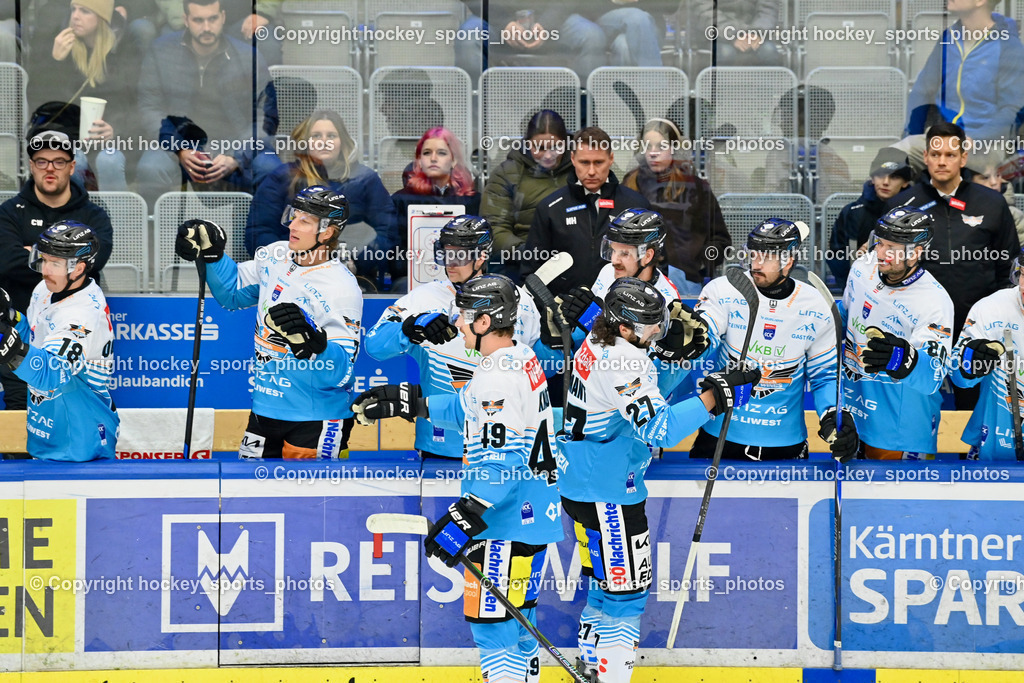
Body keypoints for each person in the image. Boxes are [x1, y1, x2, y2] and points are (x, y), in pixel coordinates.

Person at [354, 273, 563, 683]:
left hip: (501, 525)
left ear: (485, 322)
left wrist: (463, 518)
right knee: (521, 622)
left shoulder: (494, 378)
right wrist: (409, 402)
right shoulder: (520, 358)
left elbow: (500, 462)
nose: (460, 325)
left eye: (466, 317)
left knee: (492, 630)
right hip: (536, 518)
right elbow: (469, 407)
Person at [558, 276, 760, 682]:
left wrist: (675, 363)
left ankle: (589, 666)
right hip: (609, 493)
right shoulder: (623, 359)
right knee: (627, 594)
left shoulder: (597, 342)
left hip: (580, 484)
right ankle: (610, 676)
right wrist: (717, 396)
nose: (658, 332)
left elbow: (640, 395)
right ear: (625, 326)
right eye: (650, 325)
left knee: (603, 583)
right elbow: (660, 430)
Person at [174, 187, 361, 459]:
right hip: (265, 411)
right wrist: (213, 256)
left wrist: (315, 343)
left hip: (316, 419)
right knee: (249, 498)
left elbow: (341, 373)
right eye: (293, 216)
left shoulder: (342, 288)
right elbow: (233, 294)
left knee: (308, 501)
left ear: (328, 232)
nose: (292, 225)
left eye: (304, 221)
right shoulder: (275, 254)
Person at [364, 216, 549, 461]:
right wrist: (409, 329)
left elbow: (538, 367)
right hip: (440, 444)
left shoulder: (520, 302)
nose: (449, 264)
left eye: (459, 256)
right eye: (445, 254)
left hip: (504, 444)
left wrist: (558, 340)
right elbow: (373, 346)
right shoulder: (422, 299)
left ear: (482, 256)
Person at [691, 219, 858, 462]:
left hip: (784, 444)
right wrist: (692, 336)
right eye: (753, 254)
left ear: (788, 261)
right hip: (720, 437)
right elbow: (707, 333)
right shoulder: (725, 289)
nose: (756, 263)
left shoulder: (817, 305)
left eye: (767, 257)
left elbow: (825, 377)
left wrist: (833, 415)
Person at [886, 122, 1020, 410]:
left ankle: (970, 456)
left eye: (950, 154)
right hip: (918, 327)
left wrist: (998, 321)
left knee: (973, 408)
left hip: (976, 327)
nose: (942, 161)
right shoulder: (902, 205)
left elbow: (1008, 270)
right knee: (915, 407)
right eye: (936, 154)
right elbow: (885, 268)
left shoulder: (992, 204)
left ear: (963, 158)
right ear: (926, 156)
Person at [0, 131, 113, 411]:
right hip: (22, 330)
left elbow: (96, 260)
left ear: (72, 166)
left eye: (59, 161)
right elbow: (6, 260)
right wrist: (61, 262)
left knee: (69, 410)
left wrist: (29, 251)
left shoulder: (95, 214)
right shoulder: (9, 212)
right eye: (42, 161)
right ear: (31, 165)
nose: (50, 168)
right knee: (19, 414)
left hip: (72, 350)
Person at [135, 0, 275, 205]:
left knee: (270, 168)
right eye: (198, 20)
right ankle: (156, 236)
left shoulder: (248, 57)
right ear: (186, 20)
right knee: (151, 169)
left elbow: (265, 116)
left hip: (235, 140)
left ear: (223, 17)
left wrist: (236, 157)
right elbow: (149, 108)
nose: (207, 27)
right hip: (179, 140)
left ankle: (253, 236)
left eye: (213, 19)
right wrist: (180, 149)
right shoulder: (161, 51)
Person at [841, 208, 954, 459]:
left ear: (916, 252)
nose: (880, 254)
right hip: (853, 414)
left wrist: (905, 359)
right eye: (879, 243)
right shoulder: (862, 267)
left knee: (896, 499)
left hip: (899, 429)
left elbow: (933, 377)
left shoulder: (934, 301)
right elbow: (845, 314)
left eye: (891, 247)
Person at [0, 222, 118, 461]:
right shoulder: (46, 288)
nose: (45, 269)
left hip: (79, 443)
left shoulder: (82, 316)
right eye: (43, 259)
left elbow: (51, 374)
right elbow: (34, 337)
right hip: (48, 430)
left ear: (79, 268)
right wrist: (11, 318)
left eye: (55, 263)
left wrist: (9, 348)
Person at [245, 110, 399, 285]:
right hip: (291, 279)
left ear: (343, 142)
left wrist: (356, 263)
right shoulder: (283, 177)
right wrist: (293, 261)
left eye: (331, 136)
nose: (324, 142)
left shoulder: (364, 179)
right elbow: (258, 232)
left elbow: (388, 230)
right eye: (317, 135)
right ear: (306, 143)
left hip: (350, 278)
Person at [523, 126, 649, 298]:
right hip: (564, 314)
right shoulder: (551, 208)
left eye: (598, 162)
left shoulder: (635, 206)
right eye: (584, 162)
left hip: (623, 310)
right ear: (573, 159)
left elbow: (654, 264)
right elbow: (531, 272)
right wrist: (551, 312)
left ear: (611, 158)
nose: (591, 171)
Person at [29, 0, 139, 190]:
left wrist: (115, 128)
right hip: (69, 137)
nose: (75, 17)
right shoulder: (60, 46)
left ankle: (118, 217)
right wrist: (53, 62)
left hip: (113, 139)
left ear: (101, 18)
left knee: (109, 160)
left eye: (85, 11)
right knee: (75, 160)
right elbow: (39, 103)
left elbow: (135, 102)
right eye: (73, 9)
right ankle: (75, 218)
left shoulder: (123, 50)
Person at [622, 118, 730, 296]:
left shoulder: (695, 187)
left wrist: (696, 262)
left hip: (684, 282)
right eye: (648, 146)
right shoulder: (630, 183)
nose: (653, 153)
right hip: (636, 277)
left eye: (661, 146)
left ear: (673, 148)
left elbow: (719, 239)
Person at [905, 0, 1024, 151]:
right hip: (942, 138)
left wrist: (976, 139)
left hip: (986, 145)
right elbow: (922, 91)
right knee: (889, 165)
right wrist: (910, 137)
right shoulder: (947, 38)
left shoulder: (1008, 46)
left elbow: (1013, 109)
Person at [950, 247, 1024, 459]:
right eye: (1023, 273)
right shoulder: (992, 307)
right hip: (992, 447)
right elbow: (958, 377)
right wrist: (970, 363)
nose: (1023, 285)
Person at [482, 109, 572, 282]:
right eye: (540, 148)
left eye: (556, 147)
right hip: (519, 264)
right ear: (528, 144)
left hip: (571, 261)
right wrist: (527, 252)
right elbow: (494, 227)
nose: (548, 155)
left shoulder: (579, 171)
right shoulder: (507, 173)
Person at [391, 127, 480, 290]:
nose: (433, 158)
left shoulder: (473, 200)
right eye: (426, 153)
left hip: (463, 279)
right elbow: (393, 252)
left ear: (453, 160)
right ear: (419, 161)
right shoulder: (401, 200)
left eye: (441, 153)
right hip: (413, 278)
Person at [496, 3, 664, 82]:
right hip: (600, 17)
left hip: (645, 20)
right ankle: (652, 105)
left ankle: (638, 106)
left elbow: (672, 6)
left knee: (624, 44)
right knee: (631, 21)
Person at [828, 148, 914, 287]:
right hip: (861, 287)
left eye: (894, 176)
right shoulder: (852, 212)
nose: (886, 182)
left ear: (905, 182)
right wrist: (853, 281)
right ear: (872, 178)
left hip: (906, 290)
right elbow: (836, 256)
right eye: (881, 175)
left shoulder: (917, 215)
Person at [690, 0, 785, 67]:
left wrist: (757, 32)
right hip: (717, 35)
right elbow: (706, 11)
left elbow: (768, 9)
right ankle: (721, 94)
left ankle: (765, 95)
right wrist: (733, 35)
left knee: (768, 51)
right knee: (725, 53)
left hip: (753, 33)